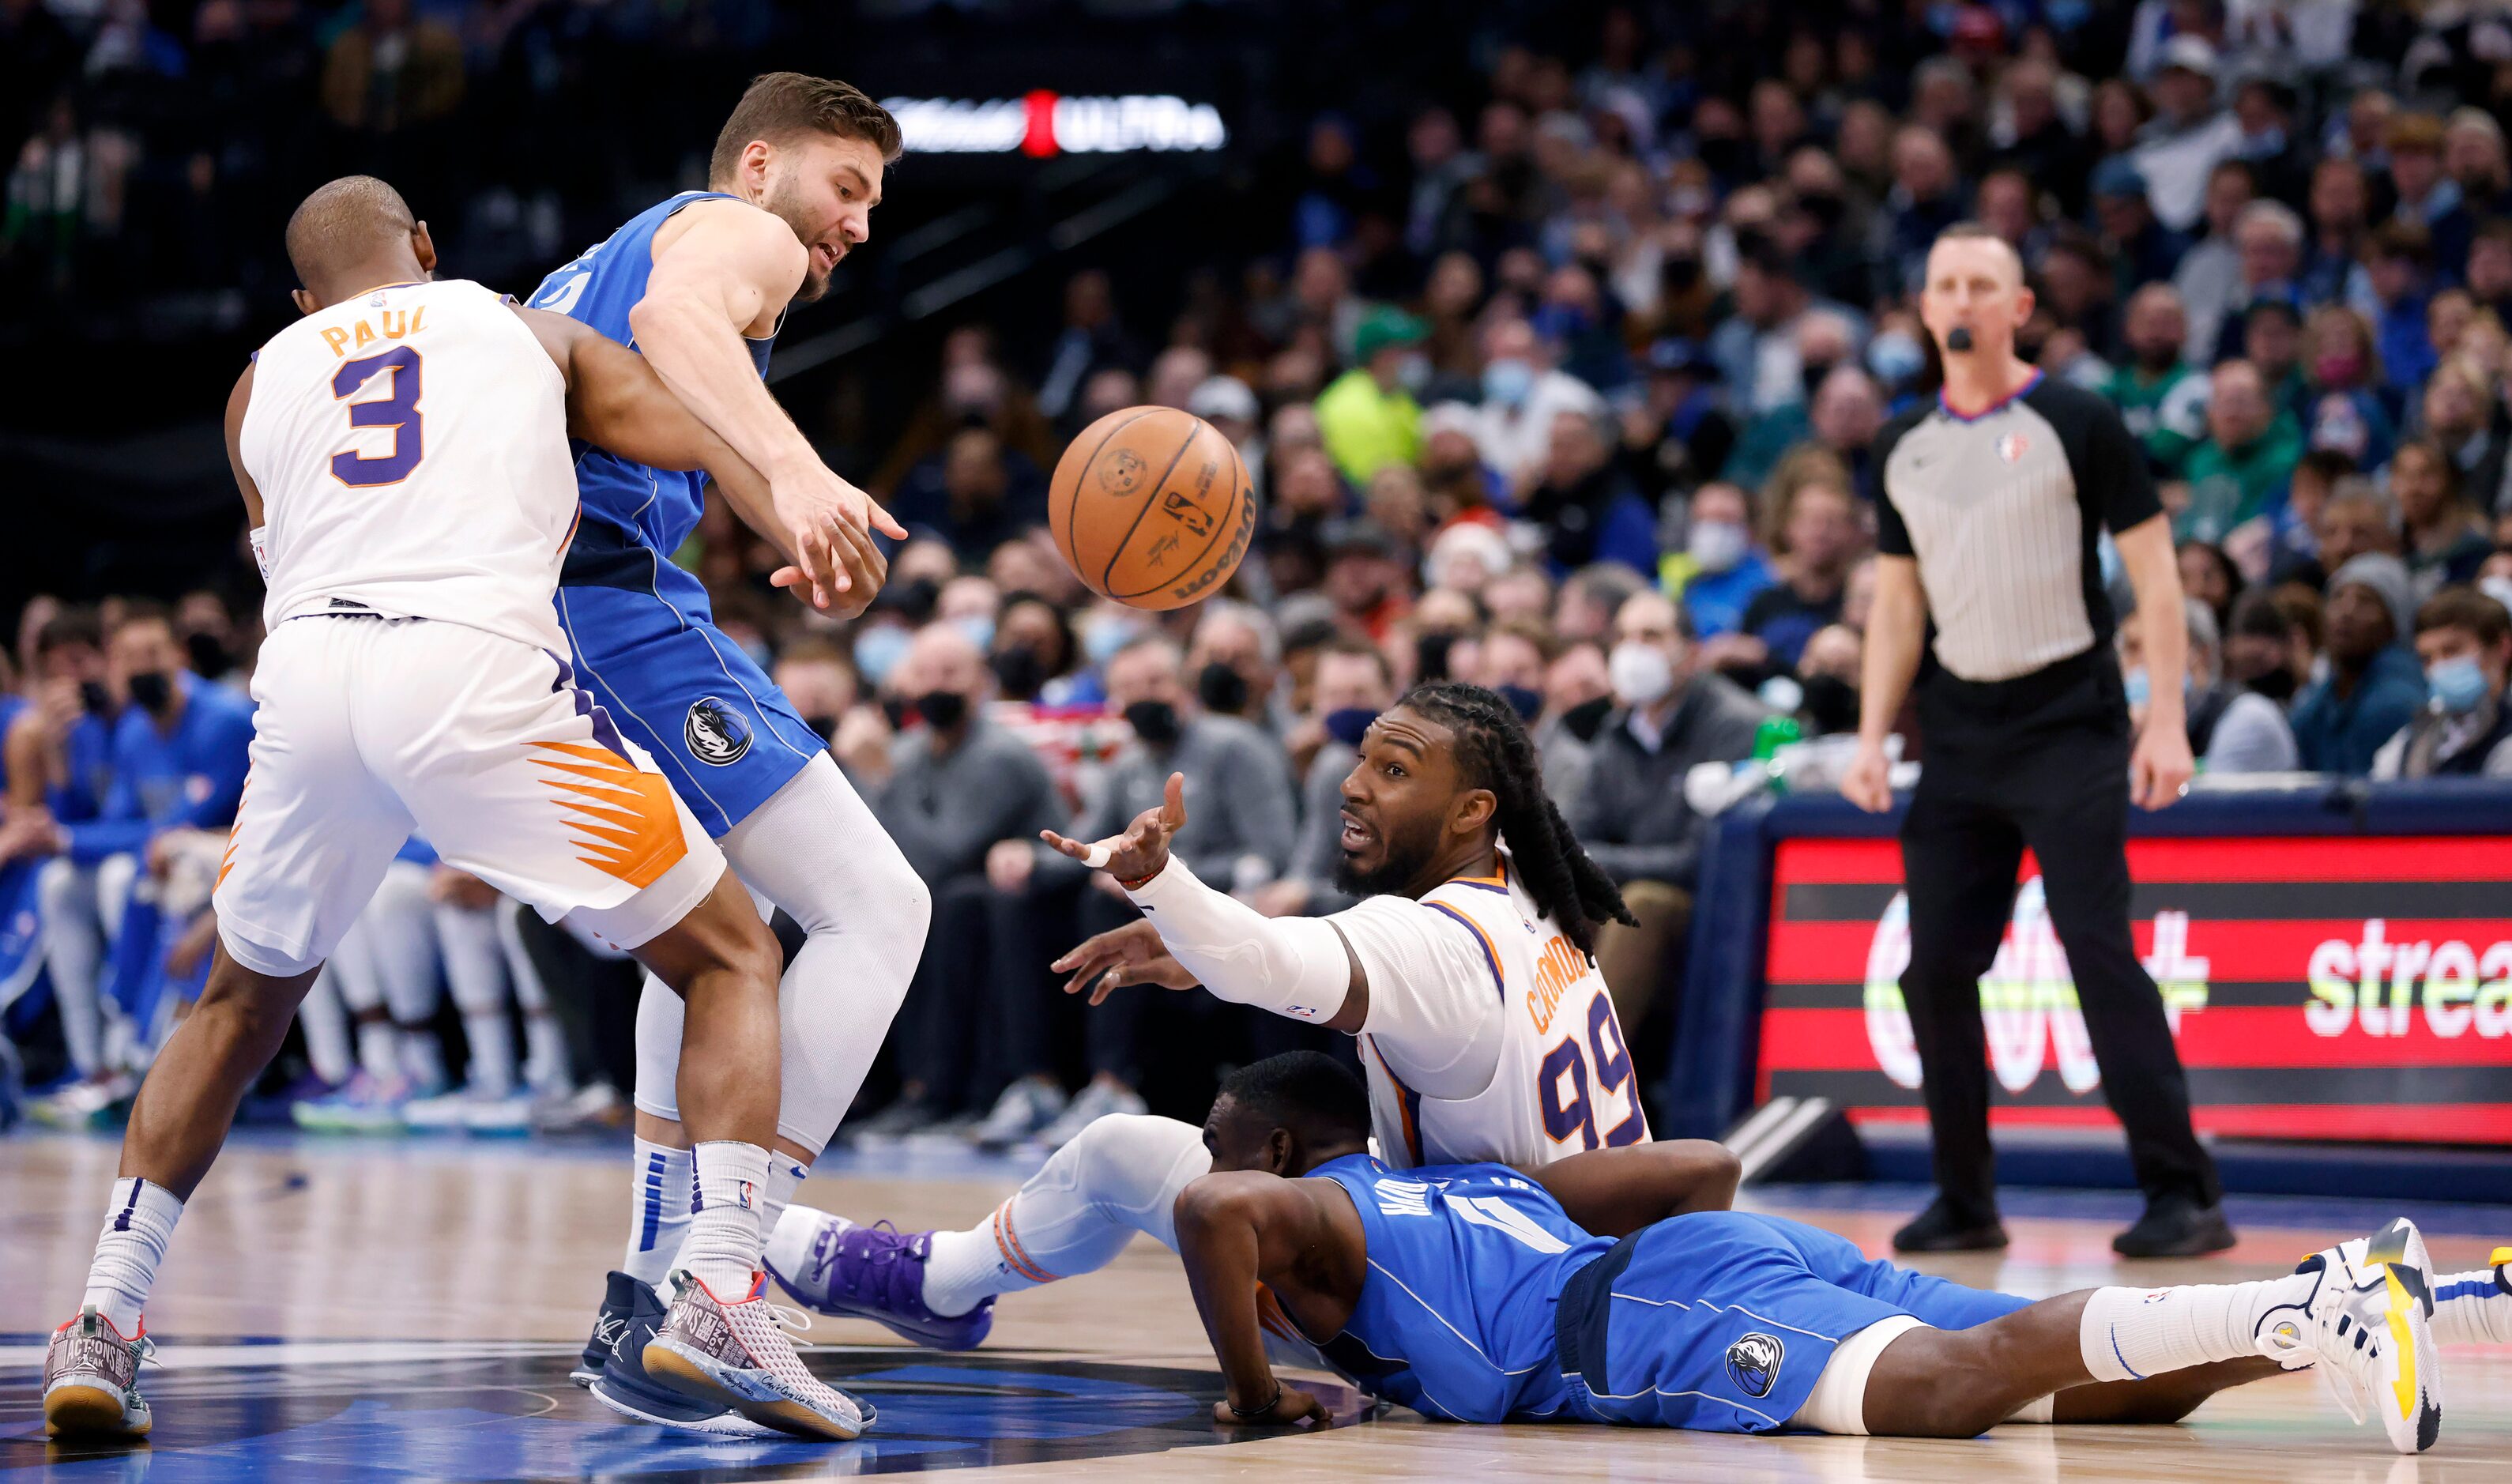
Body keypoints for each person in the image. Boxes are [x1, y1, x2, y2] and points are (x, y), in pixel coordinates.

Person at [40, 177, 883, 1444]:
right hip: (472, 676)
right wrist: (798, 505)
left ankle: (103, 1316)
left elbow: (289, 547)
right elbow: (687, 420)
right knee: (729, 953)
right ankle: (715, 1281)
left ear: (303, 297)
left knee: (236, 1005)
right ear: (428, 248)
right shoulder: (517, 329)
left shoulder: (254, 382)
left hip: (311, 687)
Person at [763, 681, 1654, 1358]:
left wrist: (1159, 883)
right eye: (1362, 761)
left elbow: (1279, 961)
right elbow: (1316, 958)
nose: (1350, 788)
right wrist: (1201, 948)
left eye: (1393, 771)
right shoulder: (1529, 889)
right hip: (1582, 1295)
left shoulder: (1430, 941)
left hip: (1471, 1332)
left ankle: (937, 1284)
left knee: (1119, 1152)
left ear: (1472, 811)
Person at [521, 75, 936, 1429]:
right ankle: (727, 1272)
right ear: (762, 165)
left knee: (714, 925)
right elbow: (672, 320)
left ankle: (646, 1300)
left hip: (550, 606)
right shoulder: (729, 231)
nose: (856, 225)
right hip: (607, 603)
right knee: (877, 904)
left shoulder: (623, 244)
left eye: (875, 204)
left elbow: (659, 375)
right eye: (846, 188)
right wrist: (797, 470)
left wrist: (781, 509)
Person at [1171, 1053, 2445, 1455]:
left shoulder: (1326, 1218)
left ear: (1277, 1149)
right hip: (1721, 1245)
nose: (1206, 1158)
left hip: (1639, 1315)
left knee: (1945, 1396)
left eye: (1219, 1138)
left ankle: (2323, 1303)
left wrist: (1257, 1389)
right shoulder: (1470, 1184)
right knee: (2064, 1382)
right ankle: (2308, 1304)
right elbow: (1701, 1165)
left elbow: (1206, 1217)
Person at [1842, 224, 2230, 1259]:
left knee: (2096, 949)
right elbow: (1894, 605)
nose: (1960, 298)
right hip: (1959, 730)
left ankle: (2182, 1193)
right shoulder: (1899, 445)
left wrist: (2164, 718)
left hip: (2070, 719)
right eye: (1944, 284)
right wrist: (1872, 735)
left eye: (1982, 283)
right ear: (1923, 309)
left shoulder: (2075, 417)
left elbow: (2154, 577)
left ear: (2016, 307)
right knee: (1931, 972)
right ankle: (1964, 1199)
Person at [1571, 592, 1767, 1027]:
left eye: (1652, 636)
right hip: (1626, 889)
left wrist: (1594, 862)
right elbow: (1573, 835)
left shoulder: (1734, 726)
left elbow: (1704, 858)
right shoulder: (1617, 732)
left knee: (1642, 903)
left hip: (1711, 908)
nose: (1634, 649)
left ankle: (1589, 1074)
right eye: (1624, 637)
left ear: (1692, 653)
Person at [2118, 598, 2297, 774]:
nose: (2137, 662)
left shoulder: (2248, 719)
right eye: (2129, 648)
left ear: (2201, 655)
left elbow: (2189, 797)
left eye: (2156, 645)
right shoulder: (2129, 725)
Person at [2292, 554, 2429, 778]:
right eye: (2337, 597)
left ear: (2394, 623)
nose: (2346, 612)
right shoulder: (2316, 702)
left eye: (2365, 601)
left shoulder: (2398, 703)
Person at [2371, 587, 2512, 779]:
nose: (2438, 668)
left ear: (2502, 648)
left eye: (2451, 651)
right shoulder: (2418, 733)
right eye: (2427, 659)